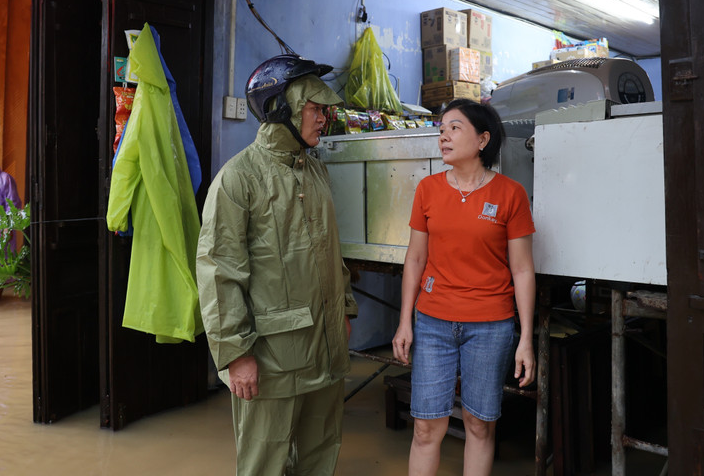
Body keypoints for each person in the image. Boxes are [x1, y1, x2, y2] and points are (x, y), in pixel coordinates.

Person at [196, 54, 359, 476]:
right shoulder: (238, 179)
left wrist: (344, 309)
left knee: (321, 452)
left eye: (325, 110)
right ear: (280, 109)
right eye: (315, 109)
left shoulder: (316, 172)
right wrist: (235, 355)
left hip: (324, 349)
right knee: (264, 462)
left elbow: (331, 251)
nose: (325, 118)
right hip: (272, 358)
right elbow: (219, 272)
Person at [392, 98, 536, 476]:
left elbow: (522, 269)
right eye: (441, 129)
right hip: (433, 322)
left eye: (455, 128)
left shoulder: (510, 194)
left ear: (483, 139)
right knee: (426, 426)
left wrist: (525, 339)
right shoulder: (428, 189)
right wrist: (405, 321)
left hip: (490, 326)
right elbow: (415, 260)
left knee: (478, 424)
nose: (443, 136)